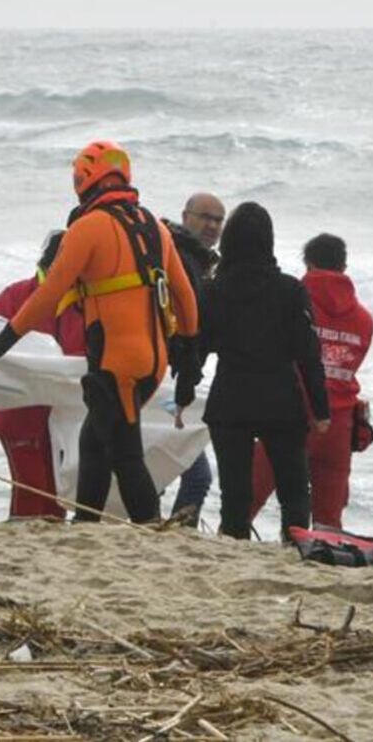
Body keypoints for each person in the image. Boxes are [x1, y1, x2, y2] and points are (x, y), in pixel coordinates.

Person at [0, 141, 199, 524]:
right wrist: (190, 352)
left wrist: (2, 341)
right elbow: (184, 295)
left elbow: (50, 293)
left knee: (126, 456)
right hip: (153, 361)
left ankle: (151, 530)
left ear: (84, 179)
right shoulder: (154, 227)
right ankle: (86, 524)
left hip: (118, 363)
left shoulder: (89, 226)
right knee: (93, 443)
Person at [183, 202, 330, 541]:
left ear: (229, 241)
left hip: (230, 398)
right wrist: (320, 409)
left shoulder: (213, 291)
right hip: (280, 399)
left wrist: (183, 395)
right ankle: (296, 548)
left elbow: (198, 350)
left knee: (235, 492)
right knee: (294, 489)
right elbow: (309, 355)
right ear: (269, 241)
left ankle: (234, 546)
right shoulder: (290, 290)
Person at [249, 233, 372, 528]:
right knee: (328, 520)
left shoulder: (289, 302)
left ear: (308, 263)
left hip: (288, 416)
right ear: (344, 266)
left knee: (247, 499)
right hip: (338, 424)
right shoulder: (364, 319)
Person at [0, 231, 87, 520]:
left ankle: (43, 553)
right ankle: (20, 550)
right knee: (31, 490)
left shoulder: (83, 302)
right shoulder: (16, 297)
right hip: (20, 413)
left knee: (58, 497)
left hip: (65, 417)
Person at [163, 191, 224, 522]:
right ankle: (168, 533)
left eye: (218, 220)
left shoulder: (199, 261)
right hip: (163, 379)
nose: (212, 225)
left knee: (160, 459)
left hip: (174, 381)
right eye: (205, 217)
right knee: (196, 474)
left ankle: (153, 528)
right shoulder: (179, 257)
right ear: (186, 217)